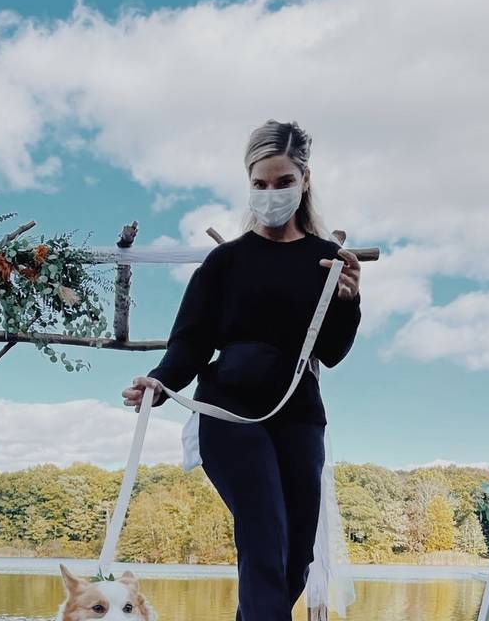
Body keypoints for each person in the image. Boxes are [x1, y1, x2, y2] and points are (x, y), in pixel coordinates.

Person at [120, 119, 362, 620]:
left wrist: (349, 301)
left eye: (282, 183)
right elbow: (189, 343)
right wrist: (160, 382)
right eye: (260, 184)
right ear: (248, 184)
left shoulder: (327, 260)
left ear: (304, 180)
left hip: (298, 416)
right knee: (265, 541)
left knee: (296, 557)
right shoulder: (225, 263)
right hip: (229, 414)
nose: (271, 194)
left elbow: (333, 353)